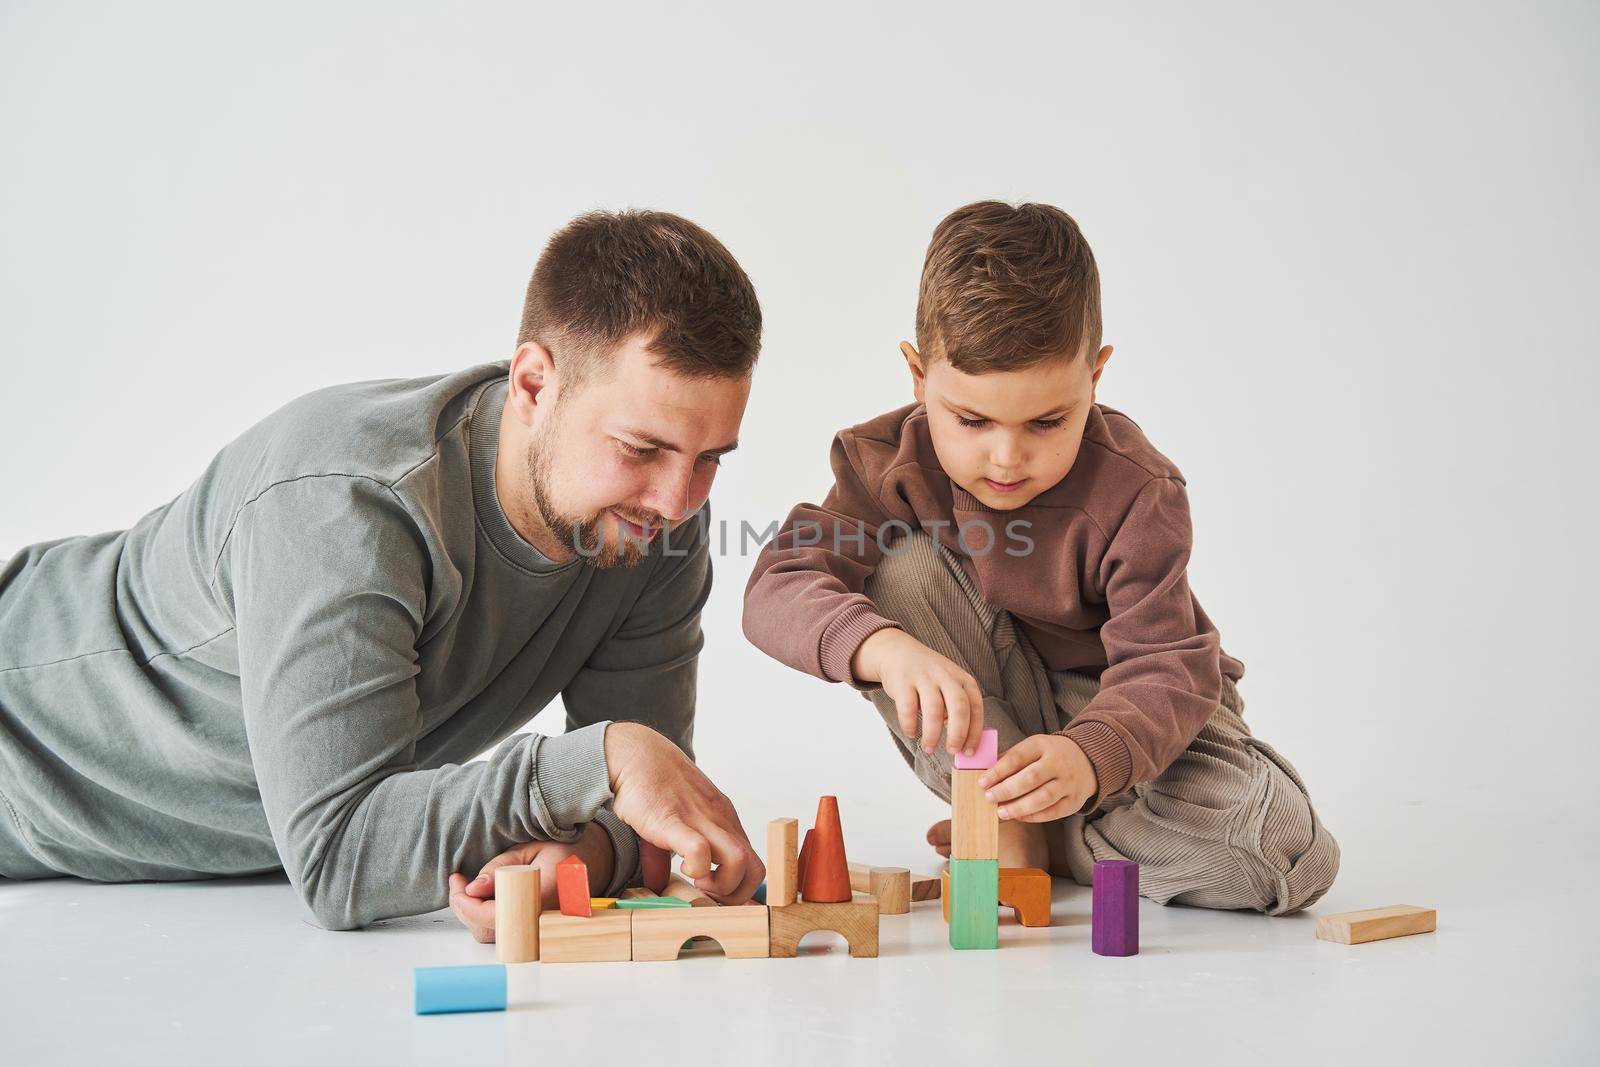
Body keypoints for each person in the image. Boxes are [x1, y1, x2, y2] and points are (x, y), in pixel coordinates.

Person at [0, 209, 766, 932]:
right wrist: (596, 758)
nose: (677, 499)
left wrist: (583, 857)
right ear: (535, 382)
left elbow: (648, 797)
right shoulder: (344, 504)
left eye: (709, 459)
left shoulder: (645, 525)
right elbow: (339, 857)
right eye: (641, 449)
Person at [742, 201, 1339, 915]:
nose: (1006, 456)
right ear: (917, 375)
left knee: (1284, 854)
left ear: (1095, 376)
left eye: (1048, 421)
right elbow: (778, 582)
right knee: (895, 566)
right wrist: (881, 647)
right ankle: (1015, 810)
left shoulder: (1138, 490)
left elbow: (1167, 665)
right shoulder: (886, 464)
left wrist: (1090, 759)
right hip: (992, 709)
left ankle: (1051, 834)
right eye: (971, 419)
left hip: (1129, 712)